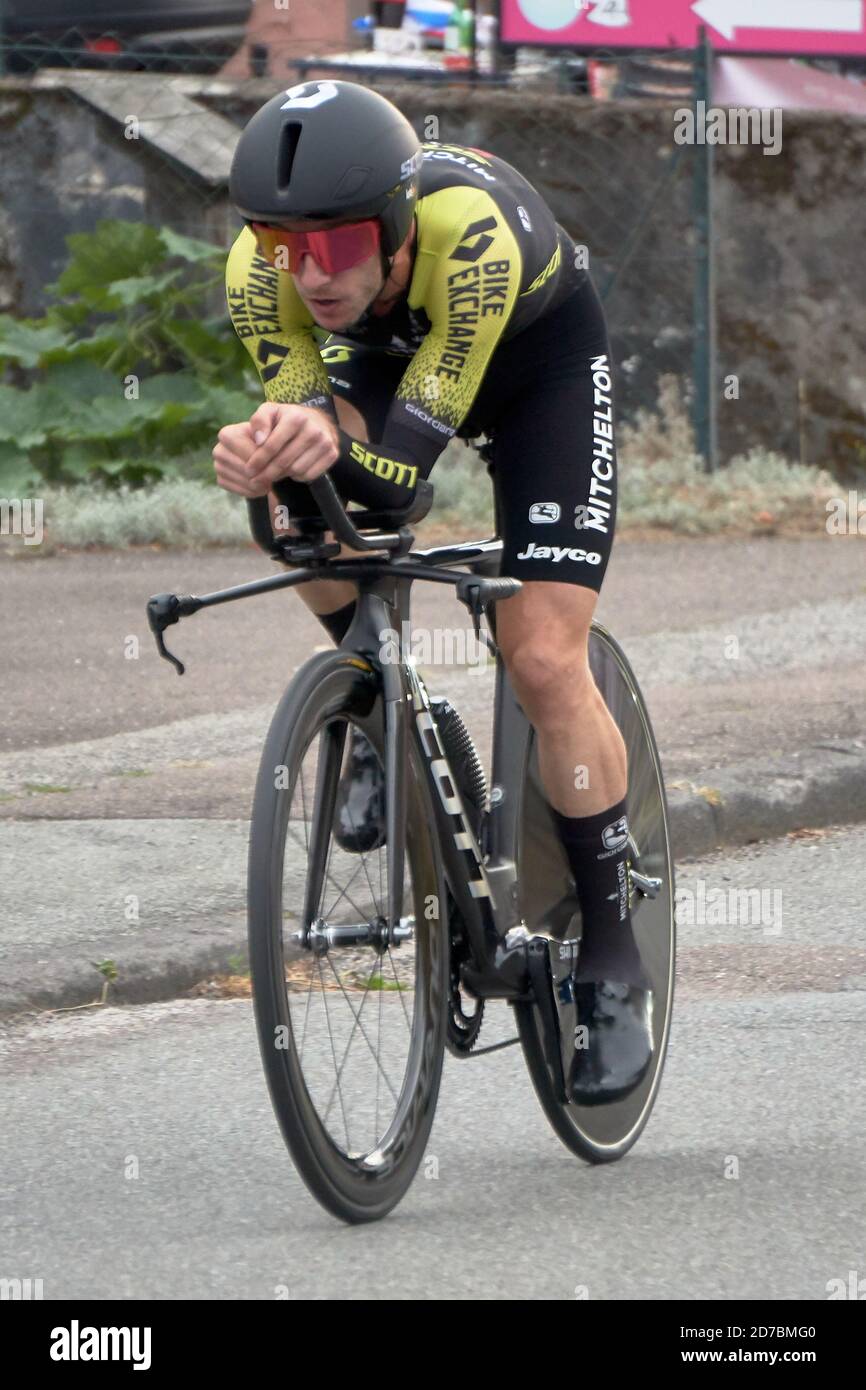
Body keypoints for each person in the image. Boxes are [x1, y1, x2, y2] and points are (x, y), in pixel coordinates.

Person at [215, 79, 652, 1104]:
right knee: (298, 488)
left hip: (534, 364)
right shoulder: (259, 275)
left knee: (540, 653)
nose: (304, 274)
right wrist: (270, 452)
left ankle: (613, 956)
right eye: (280, 245)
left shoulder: (472, 238)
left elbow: (402, 475)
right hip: (389, 358)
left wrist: (322, 444)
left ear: (397, 224)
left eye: (332, 245)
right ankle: (372, 709)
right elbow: (333, 480)